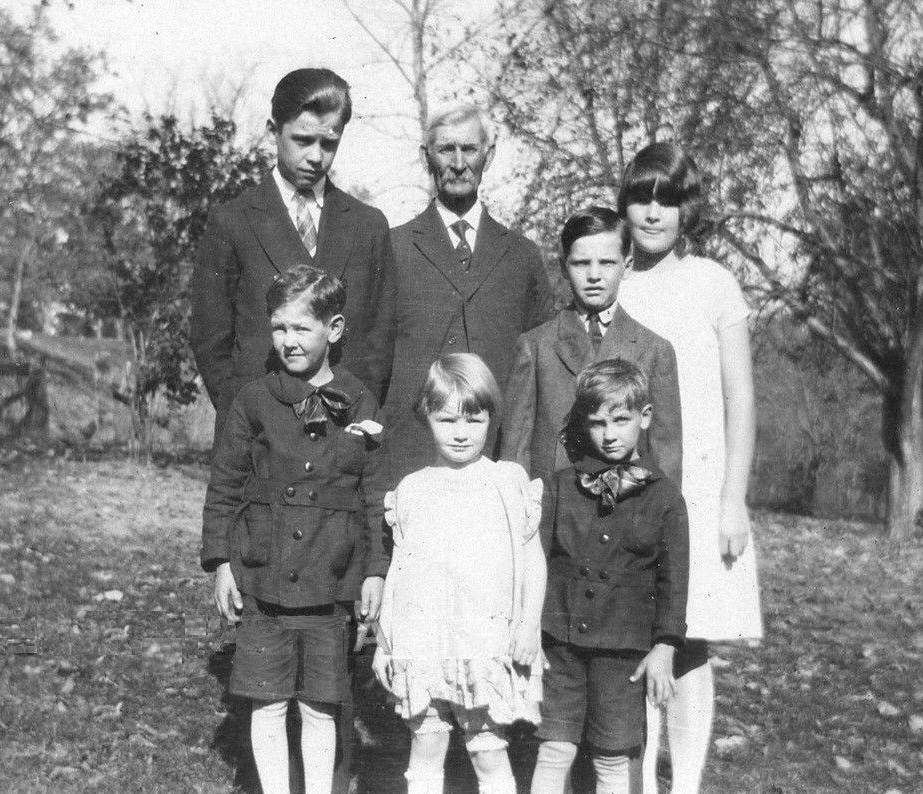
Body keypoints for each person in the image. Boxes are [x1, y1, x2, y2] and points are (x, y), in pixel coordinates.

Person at [199, 265, 389, 794]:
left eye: (301, 328)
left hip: (331, 581)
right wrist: (220, 563)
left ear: (334, 329)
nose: (288, 341)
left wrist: (375, 572)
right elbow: (226, 485)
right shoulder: (253, 400)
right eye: (279, 328)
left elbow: (374, 495)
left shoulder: (361, 401)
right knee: (268, 700)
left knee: (321, 705)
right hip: (264, 576)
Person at [615, 141, 763, 794]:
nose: (651, 213)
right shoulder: (611, 277)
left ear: (685, 208)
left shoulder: (712, 282)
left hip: (700, 488)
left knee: (690, 639)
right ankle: (642, 778)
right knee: (635, 636)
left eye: (665, 199)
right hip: (630, 486)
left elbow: (740, 396)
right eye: (640, 197)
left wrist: (733, 498)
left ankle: (687, 782)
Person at [371, 353, 546, 794]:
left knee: (487, 750)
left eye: (474, 419)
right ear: (426, 417)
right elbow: (400, 574)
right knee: (426, 746)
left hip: (483, 641)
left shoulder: (507, 482)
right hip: (424, 640)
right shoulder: (412, 489)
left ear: (491, 417)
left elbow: (532, 561)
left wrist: (529, 625)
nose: (462, 433)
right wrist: (385, 642)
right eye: (448, 420)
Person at [192, 67, 394, 438]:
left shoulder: (368, 226)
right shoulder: (232, 221)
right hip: (258, 436)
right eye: (302, 140)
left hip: (343, 435)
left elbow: (379, 340)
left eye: (329, 143)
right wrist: (242, 411)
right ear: (273, 132)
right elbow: (210, 338)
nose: (316, 157)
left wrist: (359, 412)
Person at [531, 359, 689, 794]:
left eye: (621, 420)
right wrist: (528, 629)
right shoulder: (562, 487)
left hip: (624, 652)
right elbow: (537, 562)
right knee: (553, 748)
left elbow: (673, 584)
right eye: (598, 422)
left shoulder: (666, 498)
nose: (610, 434)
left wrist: (664, 647)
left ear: (645, 418)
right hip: (559, 644)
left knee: (613, 756)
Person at [383, 104, 554, 483]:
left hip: (497, 458)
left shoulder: (523, 256)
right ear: (426, 156)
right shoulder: (393, 249)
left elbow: (542, 369)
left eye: (470, 149)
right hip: (413, 457)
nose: (458, 163)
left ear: (488, 156)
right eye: (445, 150)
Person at [502, 206, 682, 486]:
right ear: (563, 267)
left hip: (625, 511)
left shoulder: (655, 350)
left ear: (628, 265)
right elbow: (515, 450)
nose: (594, 275)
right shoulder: (535, 346)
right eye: (581, 263)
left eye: (607, 262)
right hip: (552, 511)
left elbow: (666, 456)